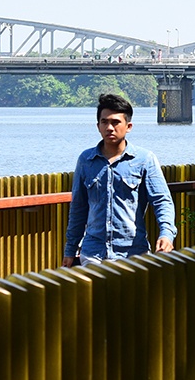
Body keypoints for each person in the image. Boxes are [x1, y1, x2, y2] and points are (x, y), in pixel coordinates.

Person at [64, 92, 176, 265]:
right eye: (104, 122)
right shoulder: (86, 160)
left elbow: (162, 201)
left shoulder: (144, 159)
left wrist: (166, 234)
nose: (109, 127)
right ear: (98, 126)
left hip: (133, 253)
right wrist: (70, 250)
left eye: (115, 122)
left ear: (128, 126)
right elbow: (78, 208)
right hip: (93, 254)